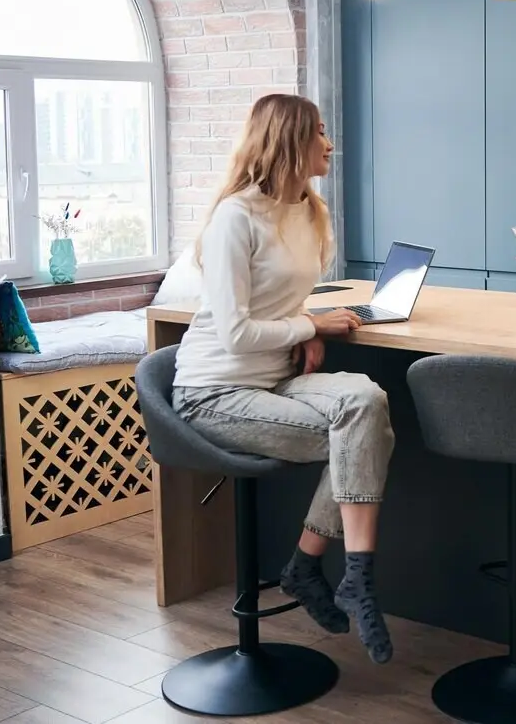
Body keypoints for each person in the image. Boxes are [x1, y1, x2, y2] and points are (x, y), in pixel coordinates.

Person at [170, 93, 396, 664]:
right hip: (213, 391)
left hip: (273, 381)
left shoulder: (308, 211)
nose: (329, 142)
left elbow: (285, 300)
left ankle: (312, 566)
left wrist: (308, 329)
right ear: (290, 142)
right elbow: (234, 334)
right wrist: (306, 326)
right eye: (319, 132)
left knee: (367, 401)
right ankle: (355, 578)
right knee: (359, 442)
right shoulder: (235, 217)